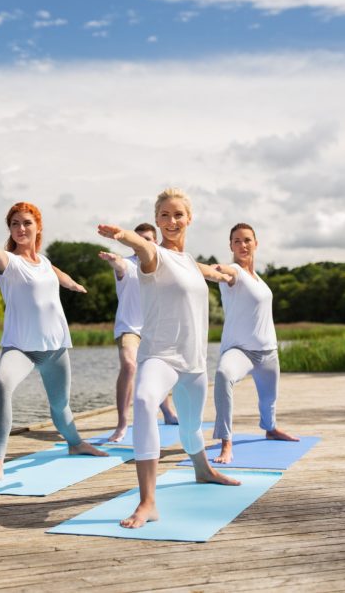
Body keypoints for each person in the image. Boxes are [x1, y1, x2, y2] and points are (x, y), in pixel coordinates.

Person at [98, 188, 238, 529]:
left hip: (193, 362)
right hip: (160, 356)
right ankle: (147, 501)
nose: (171, 221)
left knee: (191, 429)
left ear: (189, 218)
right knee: (145, 401)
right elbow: (143, 246)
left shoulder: (189, 262)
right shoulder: (153, 256)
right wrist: (125, 236)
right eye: (164, 215)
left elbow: (206, 271)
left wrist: (225, 275)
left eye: (178, 215)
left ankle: (203, 470)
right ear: (157, 220)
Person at [0, 201, 107, 487]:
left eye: (26, 223)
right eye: (14, 224)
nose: (21, 228)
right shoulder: (9, 262)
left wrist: (71, 283)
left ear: (38, 227)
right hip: (21, 348)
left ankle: (75, 444)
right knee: (1, 383)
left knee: (60, 406)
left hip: (55, 347)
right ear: (10, 230)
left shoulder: (45, 262)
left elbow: (53, 272)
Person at [209, 223, 298, 464]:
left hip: (268, 352)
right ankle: (226, 442)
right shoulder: (233, 273)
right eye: (236, 241)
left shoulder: (258, 279)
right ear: (231, 246)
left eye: (247, 240)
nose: (242, 245)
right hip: (241, 351)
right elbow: (220, 271)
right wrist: (211, 269)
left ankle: (270, 429)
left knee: (269, 401)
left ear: (255, 243)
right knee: (223, 375)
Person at [98, 222, 177, 443]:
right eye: (139, 238)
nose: (142, 242)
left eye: (148, 239)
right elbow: (120, 265)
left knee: (159, 370)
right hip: (129, 328)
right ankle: (122, 423)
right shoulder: (129, 265)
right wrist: (114, 260)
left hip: (155, 328)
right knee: (130, 366)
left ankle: (168, 411)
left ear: (155, 242)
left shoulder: (162, 267)